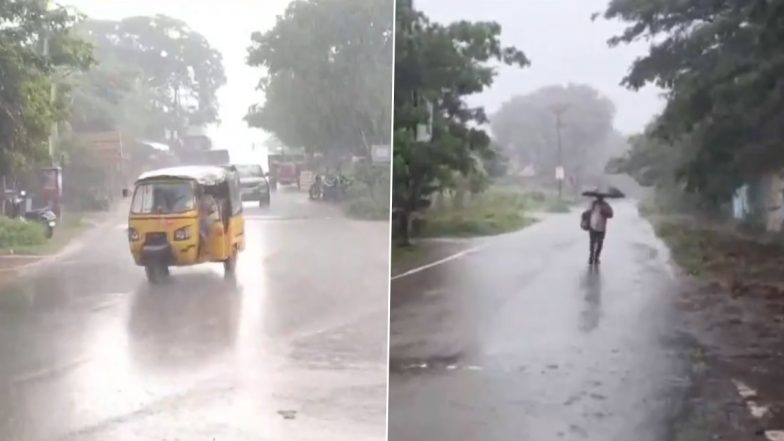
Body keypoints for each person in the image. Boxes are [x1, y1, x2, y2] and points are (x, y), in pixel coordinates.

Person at [588, 196, 614, 265]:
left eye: (600, 197)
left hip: (601, 227)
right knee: (592, 243)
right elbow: (588, 211)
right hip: (592, 226)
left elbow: (611, 214)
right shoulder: (593, 203)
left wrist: (604, 212)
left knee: (599, 243)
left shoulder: (605, 205)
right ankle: (591, 257)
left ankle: (596, 258)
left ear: (602, 198)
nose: (599, 198)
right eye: (598, 197)